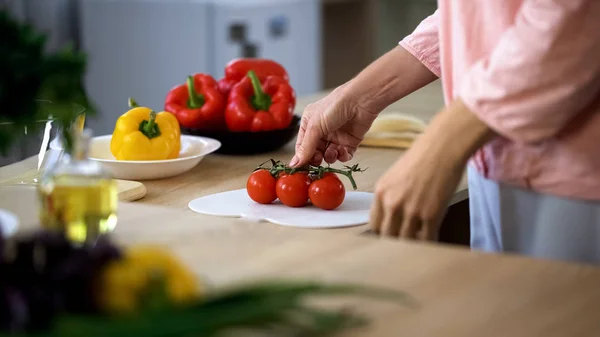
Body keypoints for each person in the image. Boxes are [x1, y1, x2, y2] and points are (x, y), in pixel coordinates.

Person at [290, 0, 600, 264]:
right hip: (488, 158)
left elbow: (573, 16)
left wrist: (440, 147)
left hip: (579, 172)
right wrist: (362, 95)